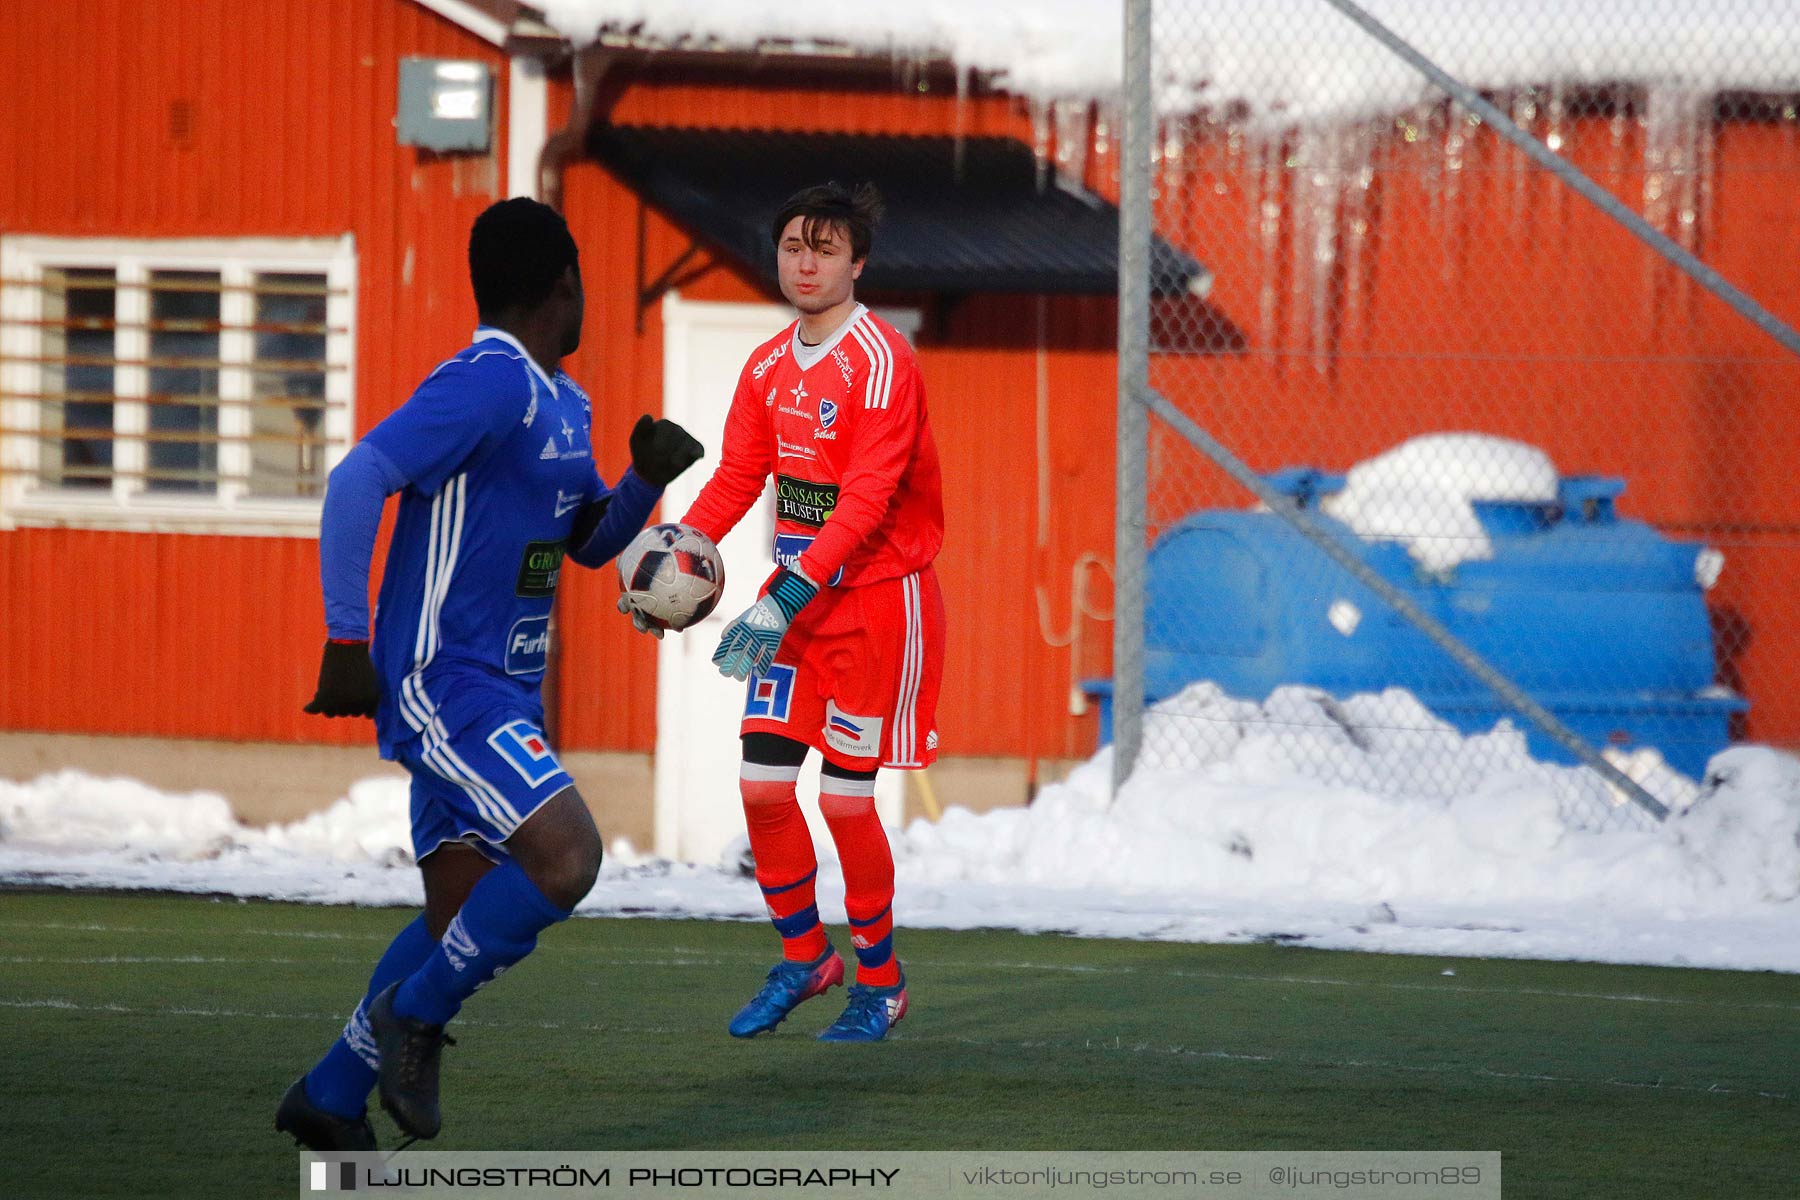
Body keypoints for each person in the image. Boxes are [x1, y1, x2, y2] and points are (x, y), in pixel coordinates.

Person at [275, 197, 702, 1150]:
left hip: (500, 692)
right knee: (568, 857)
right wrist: (348, 639)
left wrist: (640, 482)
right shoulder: (488, 383)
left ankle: (331, 1095)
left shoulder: (562, 397)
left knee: (455, 918)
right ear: (566, 284)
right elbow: (357, 481)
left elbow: (585, 544)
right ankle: (413, 1022)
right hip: (445, 679)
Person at [623, 181, 944, 1043]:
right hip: (795, 605)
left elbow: (867, 504)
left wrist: (784, 596)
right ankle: (808, 958)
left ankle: (880, 982)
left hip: (876, 604)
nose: (806, 263)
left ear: (857, 263)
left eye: (826, 249)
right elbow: (738, 476)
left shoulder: (883, 362)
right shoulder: (767, 365)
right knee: (762, 786)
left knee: (845, 803)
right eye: (794, 246)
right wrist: (669, 559)